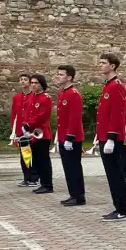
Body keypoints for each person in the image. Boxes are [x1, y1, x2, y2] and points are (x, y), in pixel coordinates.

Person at [95, 53, 126, 221]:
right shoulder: (108, 85)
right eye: (100, 62)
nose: (99, 65)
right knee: (111, 174)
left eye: (103, 63)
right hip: (104, 135)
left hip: (112, 137)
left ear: (113, 66)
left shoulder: (116, 85)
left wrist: (111, 137)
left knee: (116, 174)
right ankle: (118, 207)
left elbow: (117, 114)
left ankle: (122, 210)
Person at [55, 65, 85, 206]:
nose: (58, 76)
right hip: (63, 136)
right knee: (68, 167)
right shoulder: (62, 93)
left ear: (69, 77)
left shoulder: (73, 94)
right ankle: (73, 193)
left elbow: (74, 118)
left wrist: (70, 137)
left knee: (74, 167)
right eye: (58, 74)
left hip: (72, 137)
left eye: (61, 74)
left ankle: (79, 196)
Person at [21, 74, 54, 194]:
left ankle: (47, 184)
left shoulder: (45, 98)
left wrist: (29, 124)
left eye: (36, 83)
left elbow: (42, 115)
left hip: (42, 133)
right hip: (32, 133)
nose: (33, 85)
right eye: (32, 83)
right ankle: (42, 182)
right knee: (36, 160)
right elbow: (28, 113)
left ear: (41, 84)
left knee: (43, 159)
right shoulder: (32, 97)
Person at [10, 73, 37, 188]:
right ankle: (26, 177)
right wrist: (13, 128)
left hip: (30, 130)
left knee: (33, 154)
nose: (23, 82)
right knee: (24, 155)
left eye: (25, 80)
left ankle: (34, 178)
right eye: (21, 80)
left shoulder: (34, 96)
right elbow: (14, 113)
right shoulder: (17, 97)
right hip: (20, 130)